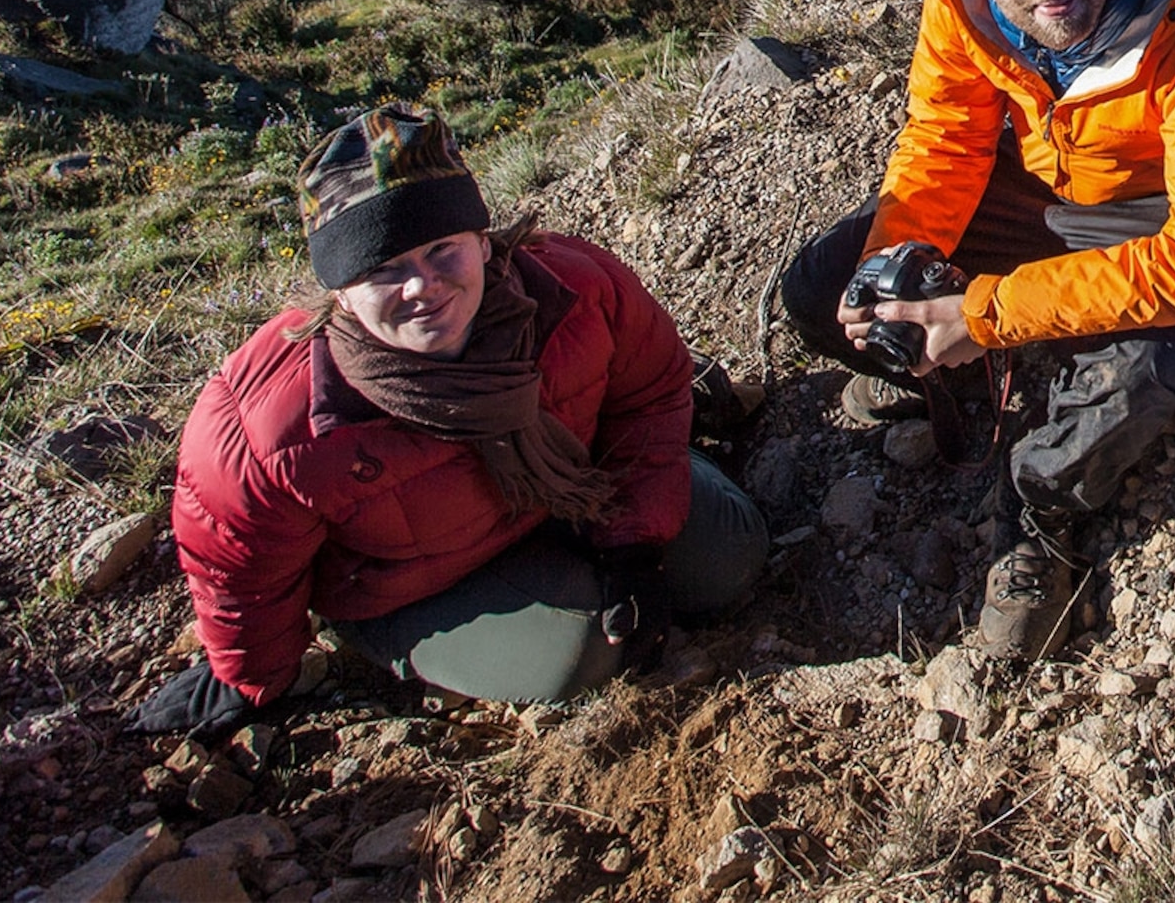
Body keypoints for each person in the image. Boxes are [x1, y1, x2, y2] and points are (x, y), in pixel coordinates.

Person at [763, 0, 1175, 657]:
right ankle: (948, 375)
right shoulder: (961, 1)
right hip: (1032, 188)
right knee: (827, 290)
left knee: (1153, 373)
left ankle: (1041, 503)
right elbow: (944, 142)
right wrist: (901, 271)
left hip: (1152, 210)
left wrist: (988, 313)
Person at [130, 105, 767, 733]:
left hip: (567, 495)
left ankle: (589, 554)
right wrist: (253, 678)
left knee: (728, 560)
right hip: (416, 582)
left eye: (442, 249)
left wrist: (635, 543)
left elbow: (649, 397)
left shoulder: (574, 288)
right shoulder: (267, 425)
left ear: (482, 240)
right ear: (339, 290)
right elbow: (241, 566)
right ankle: (387, 638)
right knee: (583, 655)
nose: (422, 286)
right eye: (384, 268)